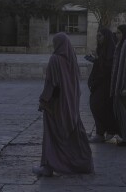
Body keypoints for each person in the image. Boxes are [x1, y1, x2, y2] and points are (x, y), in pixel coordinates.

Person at [33, 32, 93, 177]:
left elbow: (51, 84)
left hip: (56, 105)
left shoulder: (55, 59)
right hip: (71, 105)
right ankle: (82, 163)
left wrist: (43, 101)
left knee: (52, 134)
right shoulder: (71, 60)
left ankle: (47, 166)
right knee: (72, 134)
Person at [87, 28, 118, 143]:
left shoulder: (111, 50)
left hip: (105, 83)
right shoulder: (101, 49)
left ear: (106, 37)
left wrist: (98, 59)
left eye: (100, 36)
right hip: (98, 82)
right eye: (97, 36)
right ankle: (103, 131)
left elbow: (108, 68)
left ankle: (104, 132)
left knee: (98, 106)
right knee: (96, 105)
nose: (97, 38)